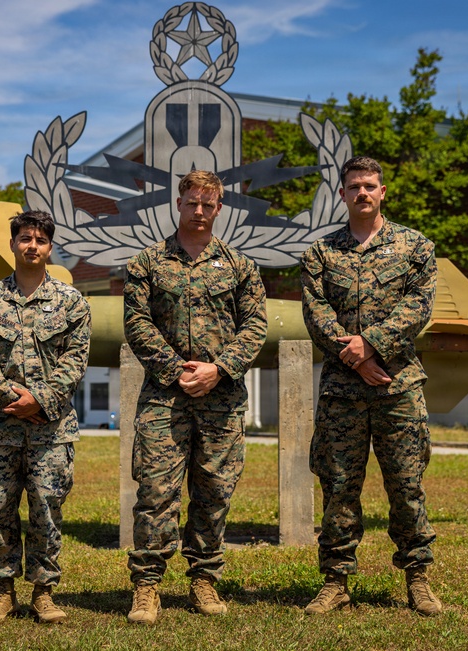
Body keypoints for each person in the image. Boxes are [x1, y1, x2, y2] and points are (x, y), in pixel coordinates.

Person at [122, 170, 267, 624]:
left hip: (221, 399)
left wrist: (218, 369)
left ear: (219, 208)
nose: (199, 211)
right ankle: (147, 586)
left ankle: (204, 580)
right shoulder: (147, 263)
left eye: (208, 204)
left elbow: (255, 325)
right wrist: (176, 369)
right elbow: (137, 323)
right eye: (192, 202)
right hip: (165, 398)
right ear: (178, 202)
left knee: (214, 492)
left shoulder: (241, 266)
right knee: (155, 492)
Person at [300, 156, 442, 617]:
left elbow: (418, 307)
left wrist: (372, 345)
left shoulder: (415, 247)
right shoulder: (321, 253)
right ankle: (336, 582)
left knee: (406, 485)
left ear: (383, 192)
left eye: (370, 186)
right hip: (343, 391)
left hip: (398, 387)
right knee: (339, 485)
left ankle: (417, 578)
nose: (362, 193)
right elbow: (316, 313)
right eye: (354, 186)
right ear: (341, 194)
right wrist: (356, 359)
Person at [0, 210, 91, 627]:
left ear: (50, 247)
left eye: (39, 239)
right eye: (24, 238)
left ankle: (43, 594)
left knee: (46, 513)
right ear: (13, 243)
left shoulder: (72, 302)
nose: (31, 245)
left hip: (50, 432)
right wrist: (9, 398)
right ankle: (3, 595)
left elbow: (76, 360)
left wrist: (41, 400)